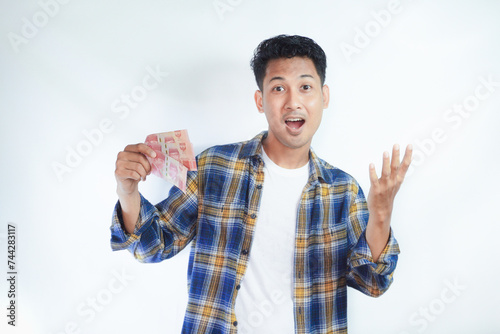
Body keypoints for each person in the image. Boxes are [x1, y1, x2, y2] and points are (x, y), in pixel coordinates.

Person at [111, 34, 412, 334]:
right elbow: (151, 247)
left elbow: (372, 282)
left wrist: (382, 215)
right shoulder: (214, 168)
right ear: (260, 100)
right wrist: (127, 191)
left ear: (324, 96)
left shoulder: (343, 191)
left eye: (305, 87)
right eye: (278, 88)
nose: (293, 102)